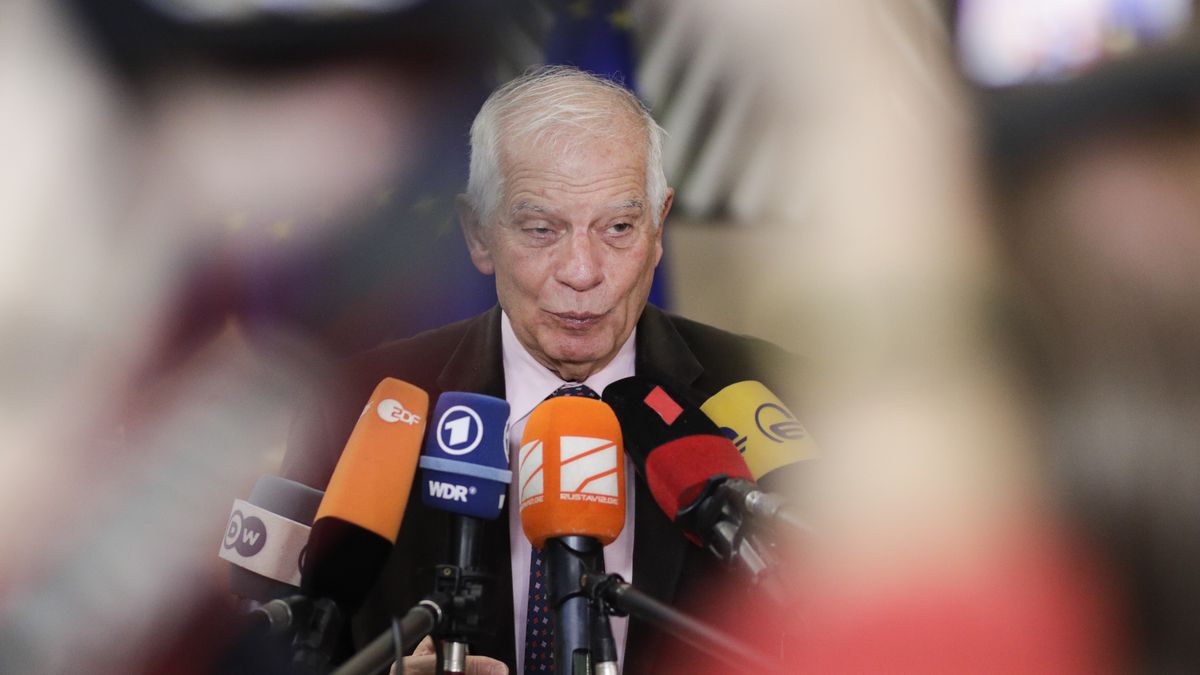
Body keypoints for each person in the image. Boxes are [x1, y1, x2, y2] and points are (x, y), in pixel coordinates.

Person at [282, 66, 797, 674]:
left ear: (659, 228)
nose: (582, 270)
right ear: (478, 233)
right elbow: (278, 647)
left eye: (619, 228)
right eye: (540, 229)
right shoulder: (356, 406)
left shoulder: (778, 392)